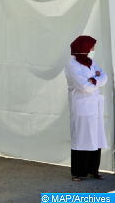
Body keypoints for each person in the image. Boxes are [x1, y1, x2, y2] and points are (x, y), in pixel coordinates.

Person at [65, 35, 108, 182]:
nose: (93, 50)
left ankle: (93, 170)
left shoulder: (90, 62)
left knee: (95, 137)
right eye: (91, 47)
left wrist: (94, 80)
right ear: (83, 48)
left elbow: (105, 76)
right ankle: (78, 172)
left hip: (94, 105)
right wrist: (94, 82)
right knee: (81, 138)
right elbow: (83, 86)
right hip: (81, 106)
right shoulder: (73, 66)